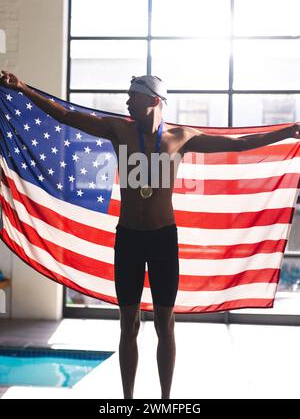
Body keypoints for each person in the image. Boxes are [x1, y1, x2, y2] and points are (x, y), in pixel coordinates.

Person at [1, 70, 299, 399]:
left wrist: (289, 130)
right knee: (128, 324)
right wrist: (24, 88)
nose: (126, 102)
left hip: (162, 240)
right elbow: (67, 115)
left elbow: (241, 144)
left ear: (154, 100)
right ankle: (128, 402)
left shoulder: (181, 137)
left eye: (133, 96)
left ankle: (165, 401)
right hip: (128, 239)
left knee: (164, 324)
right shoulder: (118, 131)